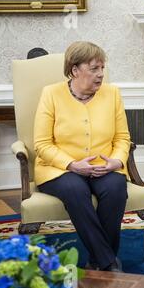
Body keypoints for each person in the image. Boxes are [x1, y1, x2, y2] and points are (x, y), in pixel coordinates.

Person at [33, 41, 131, 272]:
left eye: (102, 68)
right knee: (75, 189)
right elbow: (42, 144)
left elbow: (122, 138)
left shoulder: (112, 93)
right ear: (75, 70)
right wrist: (71, 164)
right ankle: (108, 262)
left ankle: (96, 261)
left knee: (116, 186)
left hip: (102, 166)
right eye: (94, 68)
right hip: (59, 169)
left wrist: (117, 160)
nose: (100, 75)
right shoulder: (51, 94)